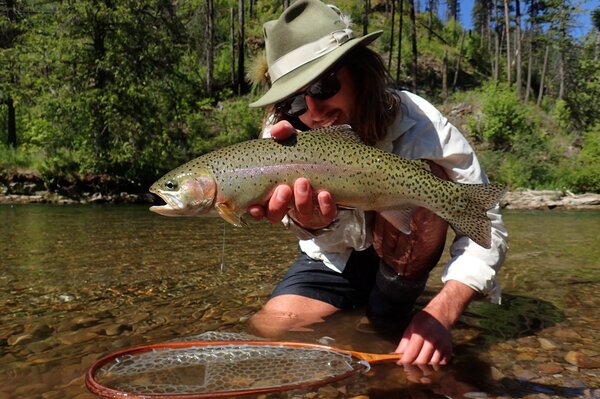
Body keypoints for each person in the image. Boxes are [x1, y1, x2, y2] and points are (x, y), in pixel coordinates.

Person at [245, 0, 508, 366]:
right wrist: (309, 222)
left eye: (323, 85)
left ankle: (388, 309)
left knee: (432, 178)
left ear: (359, 72)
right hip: (333, 258)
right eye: (293, 101)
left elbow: (488, 225)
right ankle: (366, 316)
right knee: (271, 328)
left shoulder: (422, 126)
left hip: (403, 255)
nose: (314, 112)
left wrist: (441, 313)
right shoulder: (280, 136)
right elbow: (295, 223)